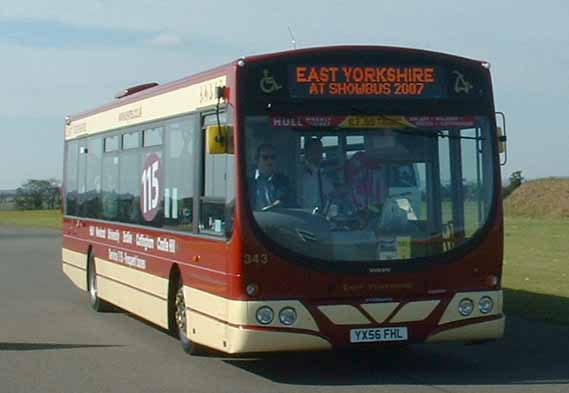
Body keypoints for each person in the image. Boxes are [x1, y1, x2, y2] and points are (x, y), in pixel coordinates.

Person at [250, 143, 291, 210]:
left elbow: (284, 200)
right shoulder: (247, 181)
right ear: (257, 160)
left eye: (272, 157)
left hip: (275, 218)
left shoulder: (283, 181)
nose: (269, 161)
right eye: (265, 157)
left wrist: (267, 209)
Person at [299, 137, 333, 211]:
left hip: (317, 215)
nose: (319, 154)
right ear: (307, 152)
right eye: (315, 150)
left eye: (320, 150)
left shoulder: (317, 171)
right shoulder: (304, 173)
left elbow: (329, 190)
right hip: (308, 216)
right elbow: (332, 192)